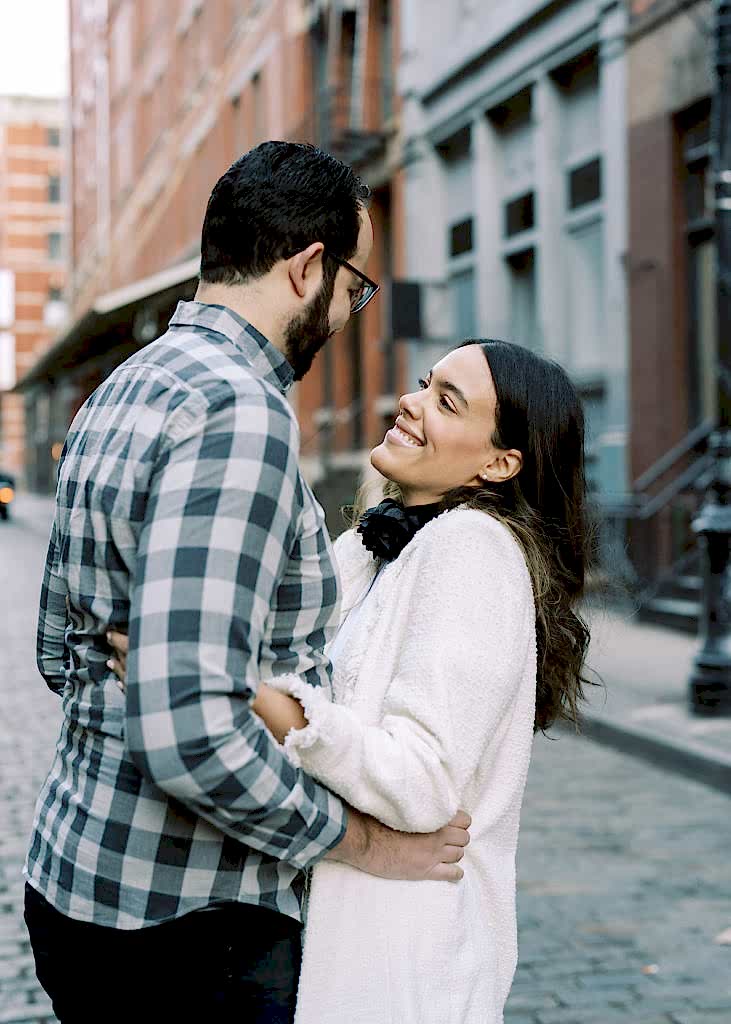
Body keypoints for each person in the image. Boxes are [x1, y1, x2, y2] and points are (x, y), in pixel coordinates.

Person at [23, 142, 471, 1024]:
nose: (349, 312)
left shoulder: (121, 386)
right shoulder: (237, 412)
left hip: (78, 882)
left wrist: (156, 671)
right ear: (308, 268)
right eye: (354, 287)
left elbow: (56, 648)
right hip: (191, 928)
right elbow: (186, 726)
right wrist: (360, 843)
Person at [109, 338, 594, 1023]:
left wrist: (258, 696)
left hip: (396, 961)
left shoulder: (472, 550)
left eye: (445, 401)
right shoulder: (382, 542)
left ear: (498, 462)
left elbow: (423, 781)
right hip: (345, 941)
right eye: (426, 383)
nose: (410, 401)